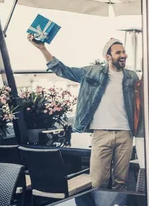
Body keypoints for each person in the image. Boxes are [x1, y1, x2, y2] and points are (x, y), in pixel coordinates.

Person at [28, 35, 138, 190]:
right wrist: (42, 48)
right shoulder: (92, 73)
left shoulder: (132, 76)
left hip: (125, 133)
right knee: (98, 182)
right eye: (118, 52)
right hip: (101, 133)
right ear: (108, 57)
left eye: (124, 52)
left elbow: (141, 101)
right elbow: (63, 70)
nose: (123, 55)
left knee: (121, 182)